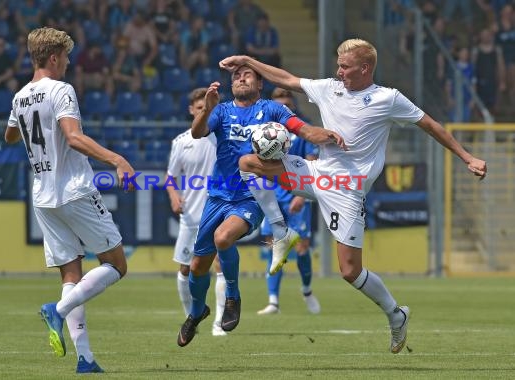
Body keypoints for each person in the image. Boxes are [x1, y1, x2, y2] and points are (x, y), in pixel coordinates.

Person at [219, 38, 487, 354]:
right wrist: (249, 61)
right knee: (249, 161)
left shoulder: (388, 98)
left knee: (350, 271)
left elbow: (430, 125)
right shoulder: (330, 88)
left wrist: (467, 157)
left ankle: (395, 314)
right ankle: (279, 228)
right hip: (315, 173)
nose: (339, 71)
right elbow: (287, 79)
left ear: (364, 68)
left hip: (347, 190)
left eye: (344, 66)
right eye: (338, 65)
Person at [176, 65, 344, 347]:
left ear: (259, 83)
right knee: (197, 266)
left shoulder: (273, 111)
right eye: (236, 76)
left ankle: (233, 295)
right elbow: (196, 133)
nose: (240, 78)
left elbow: (302, 130)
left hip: (253, 194)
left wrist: (326, 135)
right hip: (218, 194)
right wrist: (206, 108)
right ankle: (196, 313)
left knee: (223, 238)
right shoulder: (222, 110)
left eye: (247, 75)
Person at [4, 27, 136, 373]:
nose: (67, 63)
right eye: (65, 57)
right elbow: (74, 138)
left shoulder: (19, 97)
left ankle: (85, 359)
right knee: (117, 265)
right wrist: (117, 160)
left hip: (43, 196)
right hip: (74, 188)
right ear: (53, 58)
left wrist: (29, 125)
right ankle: (57, 311)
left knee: (71, 276)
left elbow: (9, 135)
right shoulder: (61, 89)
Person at [165, 87, 227, 337]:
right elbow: (171, 176)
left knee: (220, 265)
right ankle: (191, 315)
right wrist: (173, 195)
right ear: (192, 110)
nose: (204, 111)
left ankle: (219, 323)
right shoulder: (181, 142)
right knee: (185, 269)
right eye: (200, 108)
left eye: (208, 108)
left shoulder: (220, 138)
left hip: (218, 211)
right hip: (190, 215)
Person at [257, 88, 320, 315]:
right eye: (278, 102)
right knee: (275, 249)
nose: (283, 105)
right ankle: (273, 301)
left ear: (292, 104)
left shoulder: (301, 128)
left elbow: (311, 163)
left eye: (287, 102)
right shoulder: (261, 131)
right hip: (271, 198)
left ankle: (306, 290)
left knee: (302, 248)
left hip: (297, 195)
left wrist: (300, 195)